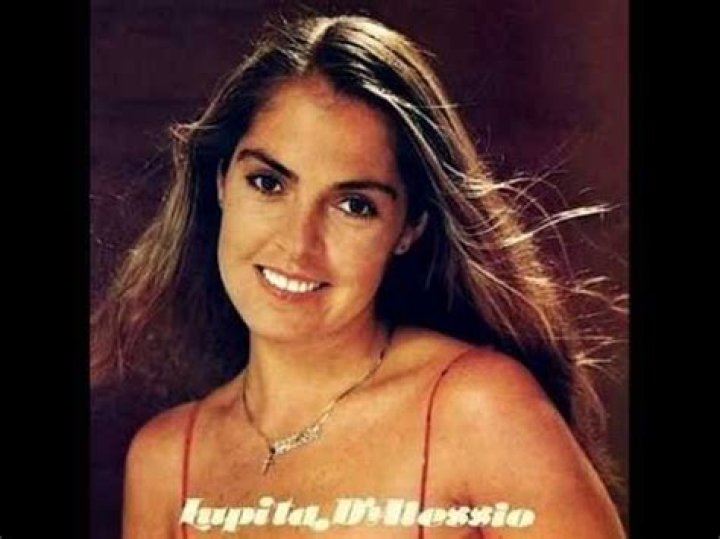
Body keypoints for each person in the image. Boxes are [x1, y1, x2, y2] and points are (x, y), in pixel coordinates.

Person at [91, 14, 626, 538]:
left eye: (354, 205)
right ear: (221, 182)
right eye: (269, 183)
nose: (298, 244)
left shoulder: (476, 408)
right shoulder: (167, 463)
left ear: (409, 228)